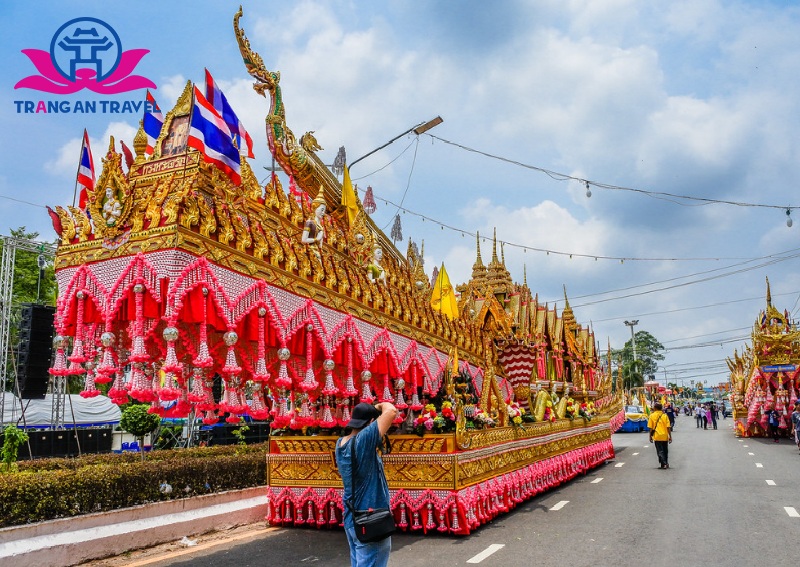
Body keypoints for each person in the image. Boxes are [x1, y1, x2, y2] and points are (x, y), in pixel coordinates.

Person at [335, 401, 397, 567]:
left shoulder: (340, 443)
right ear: (370, 423)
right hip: (370, 520)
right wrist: (377, 407)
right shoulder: (364, 440)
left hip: (353, 518)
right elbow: (391, 411)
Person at [647, 402, 672, 469]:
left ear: (655, 408)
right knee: (665, 450)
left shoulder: (652, 416)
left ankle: (664, 464)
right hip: (665, 436)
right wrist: (670, 436)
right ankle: (665, 463)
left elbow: (651, 428)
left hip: (657, 436)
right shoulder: (665, 416)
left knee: (660, 451)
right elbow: (668, 427)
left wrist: (650, 436)